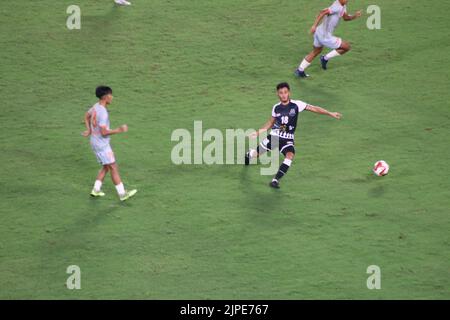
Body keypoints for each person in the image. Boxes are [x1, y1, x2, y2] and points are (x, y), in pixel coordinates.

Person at [245, 82, 342, 189]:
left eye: (285, 92)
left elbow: (314, 108)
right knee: (256, 155)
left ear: (289, 93)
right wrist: (257, 133)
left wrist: (330, 113)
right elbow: (270, 122)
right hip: (274, 137)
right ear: (278, 94)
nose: (283, 95)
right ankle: (250, 154)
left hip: (288, 139)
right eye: (281, 93)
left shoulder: (297, 105)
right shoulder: (276, 107)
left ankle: (275, 180)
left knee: (290, 155)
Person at [82, 86, 137, 201]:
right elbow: (104, 132)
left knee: (106, 166)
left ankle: (96, 189)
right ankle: (122, 194)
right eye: (111, 95)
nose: (112, 97)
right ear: (106, 96)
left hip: (95, 142)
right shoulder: (103, 112)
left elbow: (86, 116)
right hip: (102, 145)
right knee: (113, 167)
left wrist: (89, 130)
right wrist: (119, 130)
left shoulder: (95, 106)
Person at [295, 0, 362, 78]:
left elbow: (346, 17)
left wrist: (355, 16)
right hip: (325, 36)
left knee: (316, 51)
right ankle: (325, 58)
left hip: (319, 32)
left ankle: (300, 70)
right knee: (347, 47)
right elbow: (322, 13)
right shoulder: (336, 6)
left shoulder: (343, 6)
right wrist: (314, 26)